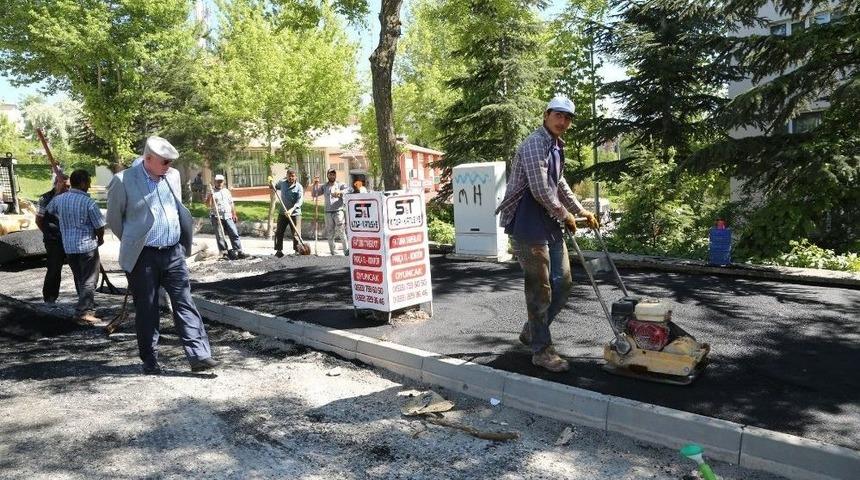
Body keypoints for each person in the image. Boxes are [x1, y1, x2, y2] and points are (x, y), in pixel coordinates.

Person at [495, 95, 600, 373]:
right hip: (528, 224)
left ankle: (533, 330)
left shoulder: (555, 146)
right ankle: (541, 350)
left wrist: (580, 210)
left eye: (567, 118)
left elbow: (559, 182)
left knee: (563, 283)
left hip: (549, 222)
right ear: (546, 115)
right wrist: (565, 215)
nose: (562, 121)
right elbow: (541, 190)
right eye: (558, 115)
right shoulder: (534, 145)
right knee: (539, 290)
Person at [106, 135, 220, 375]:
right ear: (148, 159)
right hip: (143, 257)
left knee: (184, 303)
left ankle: (199, 355)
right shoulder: (123, 180)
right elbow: (115, 221)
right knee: (147, 309)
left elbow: (176, 207)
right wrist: (134, 241)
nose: (169, 167)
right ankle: (150, 360)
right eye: (164, 162)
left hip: (173, 253)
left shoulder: (173, 176)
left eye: (170, 162)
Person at [45, 169, 106, 325]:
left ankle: (86, 307)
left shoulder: (60, 200)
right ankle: (83, 312)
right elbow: (99, 225)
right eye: (89, 183)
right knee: (89, 280)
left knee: (80, 278)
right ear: (84, 183)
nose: (89, 186)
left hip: (69, 247)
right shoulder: (89, 203)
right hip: (87, 247)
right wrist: (100, 238)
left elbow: (49, 209)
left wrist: (59, 192)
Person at [36, 173, 70, 304]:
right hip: (54, 239)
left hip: (71, 239)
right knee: (54, 269)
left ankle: (84, 299)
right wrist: (49, 233)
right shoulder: (46, 198)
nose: (67, 189)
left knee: (78, 269)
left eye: (69, 186)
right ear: (56, 183)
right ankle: (50, 298)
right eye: (64, 185)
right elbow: (39, 220)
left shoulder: (71, 198)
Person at [205, 174, 246, 258]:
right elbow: (207, 205)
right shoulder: (211, 192)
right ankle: (224, 252)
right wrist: (210, 196)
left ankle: (238, 250)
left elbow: (231, 203)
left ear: (223, 182)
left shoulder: (226, 191)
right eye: (218, 181)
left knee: (233, 232)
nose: (219, 183)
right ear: (215, 182)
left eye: (221, 181)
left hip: (228, 215)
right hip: (216, 216)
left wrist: (234, 214)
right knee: (220, 235)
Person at [311, 168, 349, 256]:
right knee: (330, 232)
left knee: (341, 231)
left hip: (338, 211)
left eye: (333, 174)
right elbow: (314, 194)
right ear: (327, 175)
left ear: (335, 175)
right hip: (328, 212)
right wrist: (315, 184)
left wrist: (340, 192)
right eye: (330, 174)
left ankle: (346, 251)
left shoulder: (340, 184)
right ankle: (333, 252)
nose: (332, 176)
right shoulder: (324, 186)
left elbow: (349, 190)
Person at [271, 169, 304, 257]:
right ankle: (279, 250)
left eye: (293, 176)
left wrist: (291, 210)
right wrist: (271, 183)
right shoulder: (282, 183)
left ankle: (297, 250)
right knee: (279, 232)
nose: (291, 177)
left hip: (295, 213)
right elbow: (274, 186)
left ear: (295, 176)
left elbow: (299, 201)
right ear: (287, 175)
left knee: (296, 233)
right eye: (289, 175)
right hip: (283, 213)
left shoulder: (299, 187)